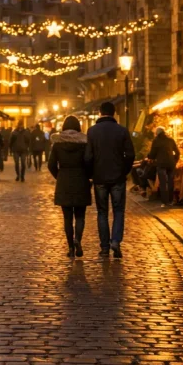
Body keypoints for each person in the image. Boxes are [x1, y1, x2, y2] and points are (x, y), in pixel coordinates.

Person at [86, 100, 135, 259]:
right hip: (117, 178)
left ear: (100, 112)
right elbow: (131, 155)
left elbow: (88, 156)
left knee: (102, 212)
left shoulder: (92, 131)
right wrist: (124, 171)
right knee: (118, 210)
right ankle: (116, 241)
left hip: (99, 177)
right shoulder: (122, 131)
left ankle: (105, 246)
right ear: (114, 113)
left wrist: (90, 173)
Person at [48, 115, 91, 258]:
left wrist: (59, 176)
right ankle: (78, 239)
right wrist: (88, 176)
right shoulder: (84, 142)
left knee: (67, 218)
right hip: (81, 180)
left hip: (64, 181)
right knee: (80, 216)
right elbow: (89, 161)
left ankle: (71, 248)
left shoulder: (58, 143)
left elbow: (51, 165)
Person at [148, 126, 180, 207]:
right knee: (171, 182)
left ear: (157, 133)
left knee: (163, 183)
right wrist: (175, 161)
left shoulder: (156, 141)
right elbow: (177, 152)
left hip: (161, 164)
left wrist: (150, 157)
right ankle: (171, 200)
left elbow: (152, 154)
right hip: (171, 163)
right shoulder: (170, 140)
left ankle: (165, 202)